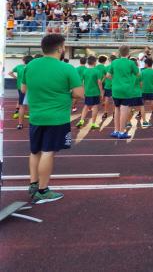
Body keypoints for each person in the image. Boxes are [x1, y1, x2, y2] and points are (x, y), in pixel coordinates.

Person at [22, 34, 83, 204]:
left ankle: (33, 185)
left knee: (35, 151)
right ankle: (43, 190)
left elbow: (24, 88)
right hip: (56, 117)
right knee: (48, 152)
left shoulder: (31, 65)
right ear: (59, 48)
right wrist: (64, 94)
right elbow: (79, 93)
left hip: (36, 116)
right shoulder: (66, 68)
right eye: (64, 46)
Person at [107, 45, 140, 139]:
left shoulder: (114, 62)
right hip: (126, 89)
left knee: (116, 109)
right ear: (128, 53)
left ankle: (116, 130)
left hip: (116, 89)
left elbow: (108, 75)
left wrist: (116, 79)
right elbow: (137, 74)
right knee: (124, 110)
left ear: (119, 52)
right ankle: (122, 132)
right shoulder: (131, 63)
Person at [77, 56, 104, 129]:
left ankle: (81, 120)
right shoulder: (97, 71)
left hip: (87, 92)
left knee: (86, 106)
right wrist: (101, 92)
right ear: (95, 62)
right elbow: (99, 82)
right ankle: (93, 123)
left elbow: (81, 82)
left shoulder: (84, 71)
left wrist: (84, 90)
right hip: (95, 92)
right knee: (95, 107)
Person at [10, 55, 33, 129]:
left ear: (24, 61)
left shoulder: (19, 67)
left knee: (22, 106)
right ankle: (34, 123)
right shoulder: (33, 68)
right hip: (31, 88)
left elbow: (10, 73)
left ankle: (20, 124)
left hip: (21, 88)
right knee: (33, 106)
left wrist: (16, 78)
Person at [140, 58, 153, 128]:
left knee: (142, 104)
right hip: (151, 89)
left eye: (144, 63)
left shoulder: (142, 72)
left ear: (146, 64)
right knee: (152, 101)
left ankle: (140, 113)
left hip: (143, 90)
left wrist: (141, 88)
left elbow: (141, 82)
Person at [100, 55, 114, 120]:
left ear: (109, 60)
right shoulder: (117, 67)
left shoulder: (106, 67)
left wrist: (101, 82)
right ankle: (114, 113)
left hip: (108, 85)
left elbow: (105, 76)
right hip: (115, 85)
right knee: (115, 100)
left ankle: (105, 113)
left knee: (107, 99)